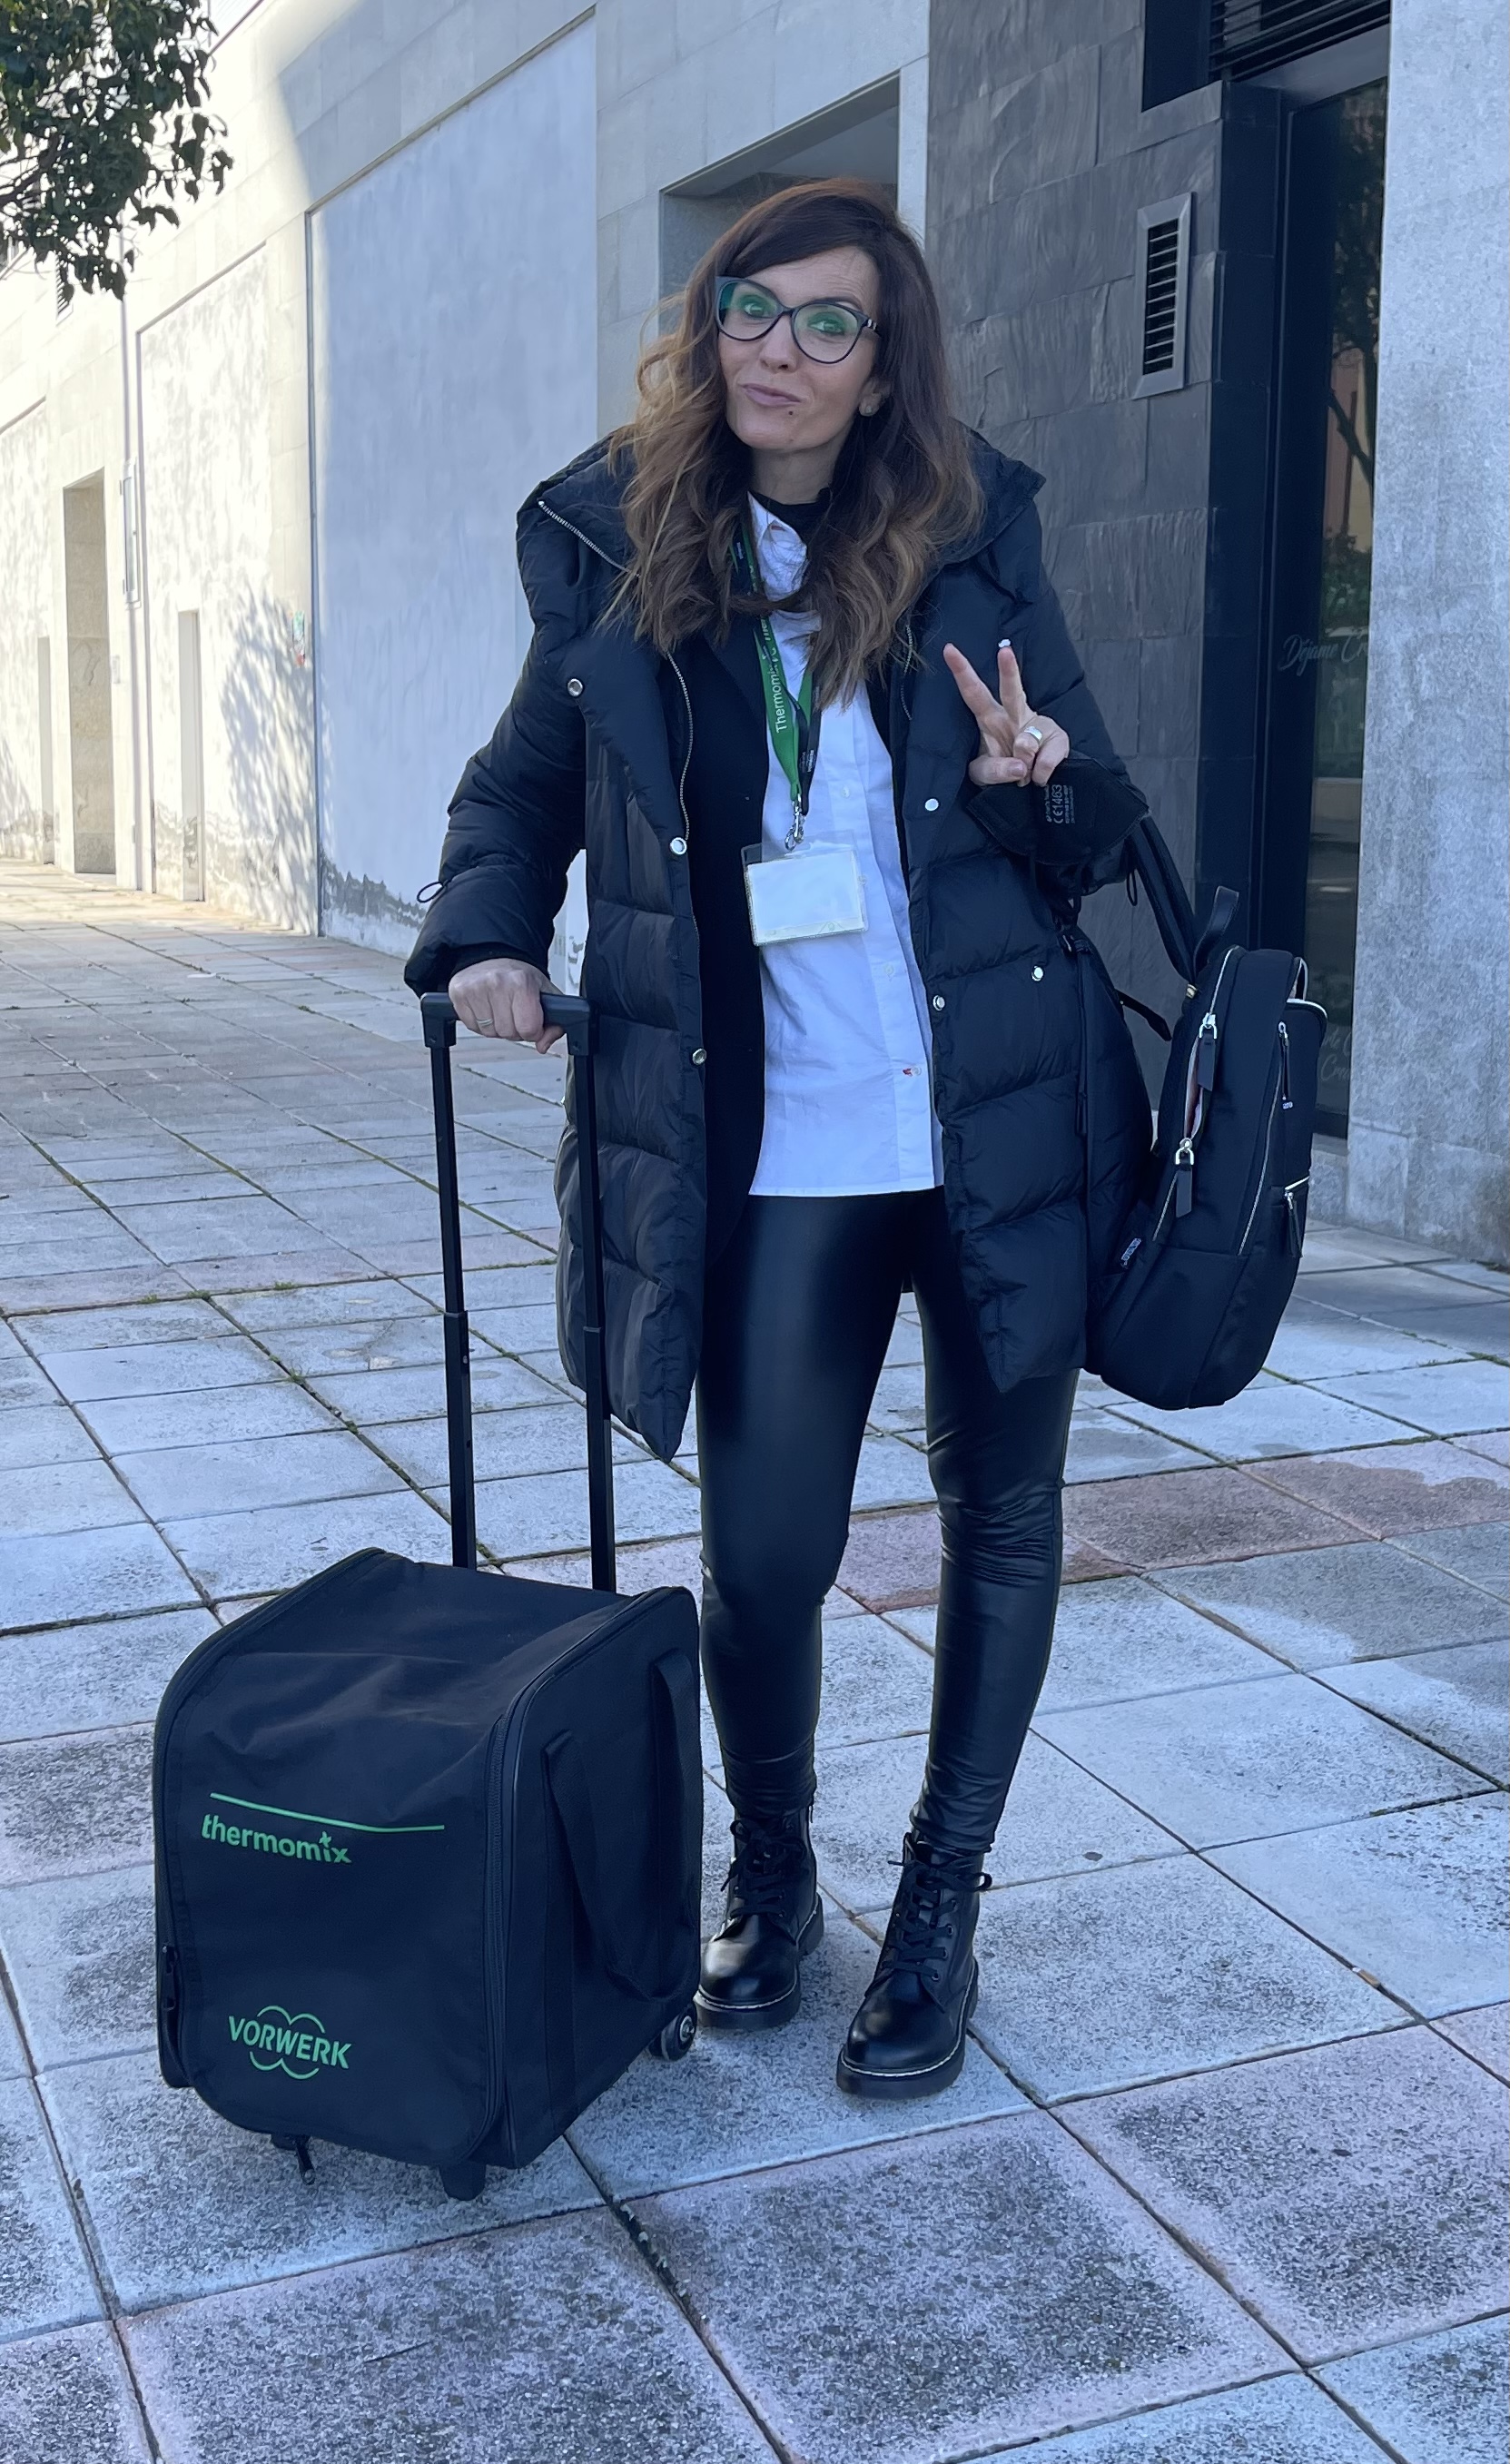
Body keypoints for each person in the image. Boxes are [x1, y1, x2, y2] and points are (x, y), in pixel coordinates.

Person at [405, 179, 1150, 2100]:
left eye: (829, 322)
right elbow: (518, 788)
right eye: (750, 307)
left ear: (882, 363)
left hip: (989, 1124)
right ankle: (779, 1866)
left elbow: (1095, 828)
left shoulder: (973, 534)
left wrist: (1042, 784)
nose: (779, 350)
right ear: (706, 326)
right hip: (780, 1139)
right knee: (762, 1551)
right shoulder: (625, 548)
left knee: (1002, 1519)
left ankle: (940, 1902)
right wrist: (488, 932)